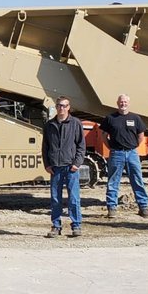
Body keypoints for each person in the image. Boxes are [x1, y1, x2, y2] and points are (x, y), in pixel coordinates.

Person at [101, 94, 148, 218]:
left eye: (125, 102)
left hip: (132, 153)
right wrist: (111, 147)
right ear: (117, 103)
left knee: (137, 180)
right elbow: (104, 135)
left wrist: (133, 146)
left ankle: (143, 207)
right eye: (121, 102)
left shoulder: (135, 118)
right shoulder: (110, 118)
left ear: (128, 103)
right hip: (116, 153)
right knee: (113, 182)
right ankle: (112, 208)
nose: (123, 104)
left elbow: (141, 135)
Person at [42, 96, 86, 238]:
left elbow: (81, 145)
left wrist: (77, 163)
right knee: (55, 199)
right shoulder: (49, 125)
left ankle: (76, 225)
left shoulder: (75, 123)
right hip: (55, 168)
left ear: (68, 107)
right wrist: (47, 164)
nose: (61, 108)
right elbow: (45, 147)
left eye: (64, 106)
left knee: (74, 198)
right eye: (59, 105)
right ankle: (56, 226)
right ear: (56, 107)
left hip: (70, 167)